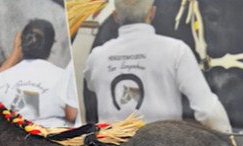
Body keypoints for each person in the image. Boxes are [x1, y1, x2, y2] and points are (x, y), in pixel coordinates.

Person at [83, 0, 232, 133]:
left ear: (115, 16)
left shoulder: (96, 57)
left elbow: (91, 85)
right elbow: (208, 110)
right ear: (152, 13)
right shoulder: (176, 51)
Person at [0, 19, 78, 128]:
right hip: (51, 139)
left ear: (19, 40)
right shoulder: (65, 78)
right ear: (51, 45)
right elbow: (72, 116)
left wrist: (16, 51)